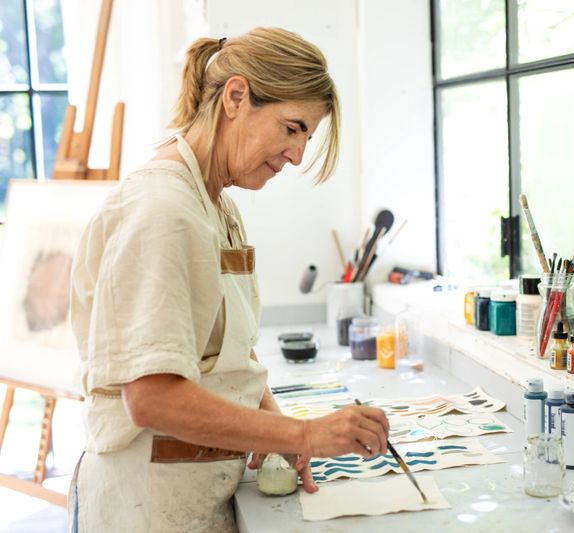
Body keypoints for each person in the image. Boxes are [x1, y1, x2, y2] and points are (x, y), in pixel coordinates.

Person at [68, 27, 389, 532]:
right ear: (237, 96)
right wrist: (302, 435)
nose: (297, 155)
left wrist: (275, 429)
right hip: (147, 508)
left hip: (193, 491)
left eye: (307, 137)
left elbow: (224, 348)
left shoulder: (217, 204)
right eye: (291, 128)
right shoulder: (164, 211)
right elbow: (151, 395)